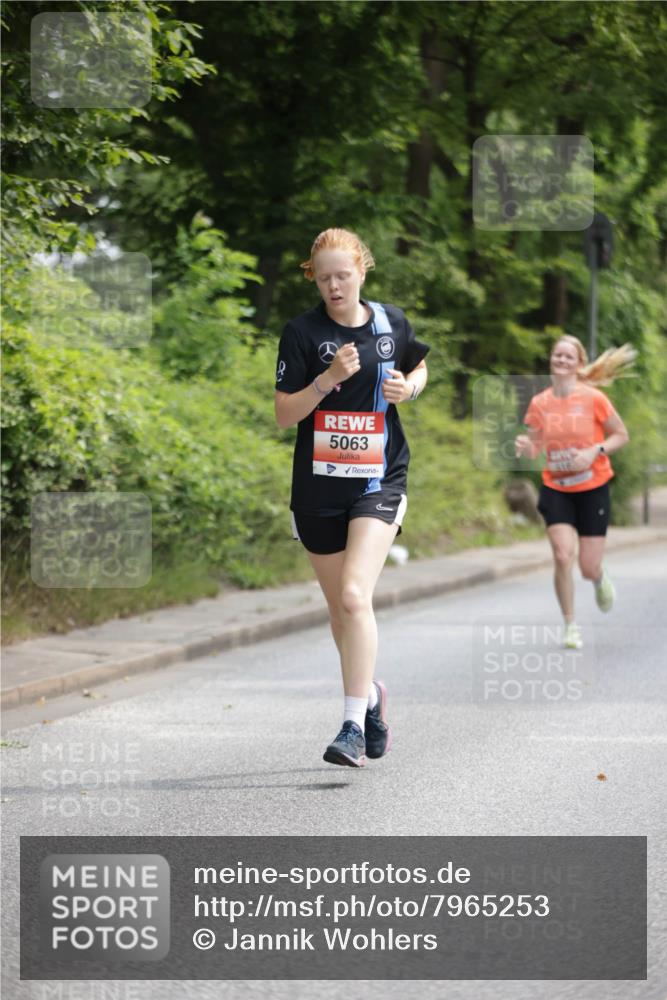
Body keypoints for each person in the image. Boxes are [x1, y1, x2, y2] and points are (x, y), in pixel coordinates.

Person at [274, 228, 429, 767]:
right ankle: (372, 697)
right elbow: (284, 414)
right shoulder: (302, 332)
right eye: (324, 279)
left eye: (343, 275)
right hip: (317, 489)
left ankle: (351, 727)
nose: (334, 286)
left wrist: (410, 388)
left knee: (354, 597)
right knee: (340, 614)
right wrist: (326, 380)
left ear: (362, 270)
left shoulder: (390, 323)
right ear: (314, 280)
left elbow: (419, 365)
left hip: (379, 480)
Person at [515, 334, 635, 649]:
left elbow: (621, 435)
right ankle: (570, 625)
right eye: (558, 355)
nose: (562, 360)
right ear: (551, 360)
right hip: (556, 488)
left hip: (593, 488)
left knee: (587, 566)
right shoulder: (540, 403)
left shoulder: (594, 399)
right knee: (562, 554)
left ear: (579, 363)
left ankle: (598, 576)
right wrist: (526, 445)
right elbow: (535, 447)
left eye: (569, 356)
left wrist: (595, 450)